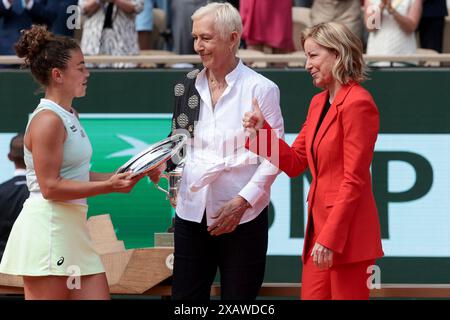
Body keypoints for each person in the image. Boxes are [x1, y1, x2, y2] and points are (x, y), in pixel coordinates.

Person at [149, 2, 284, 300]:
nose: (198, 46)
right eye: (196, 37)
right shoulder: (186, 85)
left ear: (233, 38)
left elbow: (273, 157)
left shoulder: (261, 89)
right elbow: (180, 139)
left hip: (242, 217)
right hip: (191, 212)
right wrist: (162, 162)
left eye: (206, 38)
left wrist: (241, 202)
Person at [0, 25, 142, 300]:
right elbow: (51, 187)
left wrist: (125, 174)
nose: (87, 73)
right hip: (49, 233)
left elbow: (79, 175)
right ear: (58, 75)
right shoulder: (48, 121)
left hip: (74, 232)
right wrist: (110, 187)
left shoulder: (69, 114)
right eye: (81, 67)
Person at [243, 22, 384, 300]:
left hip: (347, 238)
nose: (307, 64)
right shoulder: (318, 103)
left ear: (338, 54)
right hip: (318, 235)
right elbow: (296, 162)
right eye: (306, 56)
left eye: (313, 55)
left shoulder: (358, 103)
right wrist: (262, 134)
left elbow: (353, 179)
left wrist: (330, 238)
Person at [78, 0, 144, 68]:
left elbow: (138, 6)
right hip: (93, 46)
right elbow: (82, 8)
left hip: (124, 47)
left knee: (125, 75)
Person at [365, 0, 422, 66]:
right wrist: (381, 7)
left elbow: (411, 27)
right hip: (376, 59)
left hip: (405, 59)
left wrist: (393, 11)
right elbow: (370, 28)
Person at [0, 134, 29, 260]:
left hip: (4, 260)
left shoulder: (2, 190)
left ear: (10, 157)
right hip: (35, 261)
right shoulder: (45, 192)